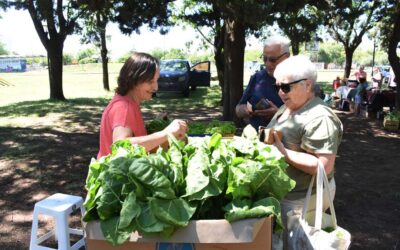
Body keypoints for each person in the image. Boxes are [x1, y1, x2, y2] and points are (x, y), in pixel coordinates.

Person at [266, 55, 343, 248]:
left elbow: (324, 167)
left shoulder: (320, 118)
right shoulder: (289, 106)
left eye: (285, 87)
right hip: (284, 197)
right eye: (277, 87)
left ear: (307, 85)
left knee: (295, 243)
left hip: (300, 200)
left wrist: (283, 153)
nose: (280, 93)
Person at [97, 52, 187, 159]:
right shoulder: (123, 107)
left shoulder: (129, 103)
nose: (156, 88)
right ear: (134, 80)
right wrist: (167, 132)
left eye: (156, 81)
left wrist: (156, 125)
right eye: (150, 82)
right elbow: (121, 146)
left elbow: (137, 144)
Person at [235, 36, 289, 131]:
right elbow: (238, 109)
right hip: (255, 140)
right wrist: (245, 110)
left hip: (284, 142)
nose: (267, 64)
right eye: (264, 59)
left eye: (272, 59)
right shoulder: (257, 77)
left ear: (286, 57)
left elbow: (308, 118)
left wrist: (278, 114)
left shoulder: (299, 81)